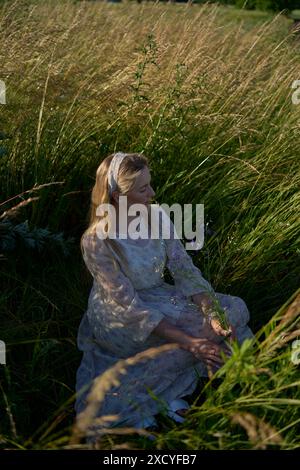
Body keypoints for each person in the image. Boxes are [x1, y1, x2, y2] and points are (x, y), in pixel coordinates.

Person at [75, 152, 254, 437]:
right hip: (121, 317)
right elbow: (128, 305)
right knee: (208, 337)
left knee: (235, 309)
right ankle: (187, 372)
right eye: (143, 188)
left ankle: (168, 390)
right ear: (117, 196)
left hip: (159, 296)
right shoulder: (97, 241)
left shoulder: (156, 216)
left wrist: (212, 313)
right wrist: (192, 343)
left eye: (150, 184)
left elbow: (183, 268)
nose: (153, 193)